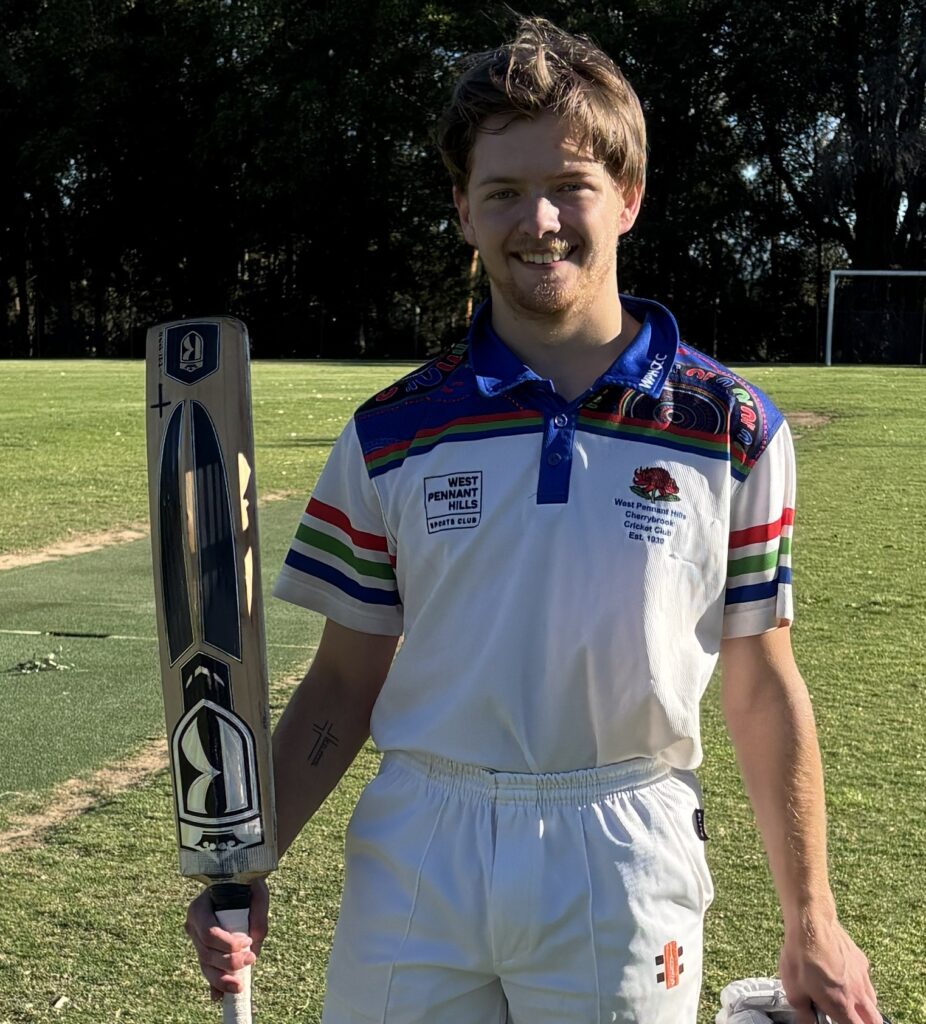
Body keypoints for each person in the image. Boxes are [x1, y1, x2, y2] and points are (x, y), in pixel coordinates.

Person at [186, 18, 881, 1024]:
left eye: (568, 187)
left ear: (628, 198)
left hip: (622, 847)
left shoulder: (728, 427)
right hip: (421, 839)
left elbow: (761, 682)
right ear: (462, 210)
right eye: (503, 191)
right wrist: (253, 856)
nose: (538, 220)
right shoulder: (394, 430)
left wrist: (809, 914)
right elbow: (342, 681)